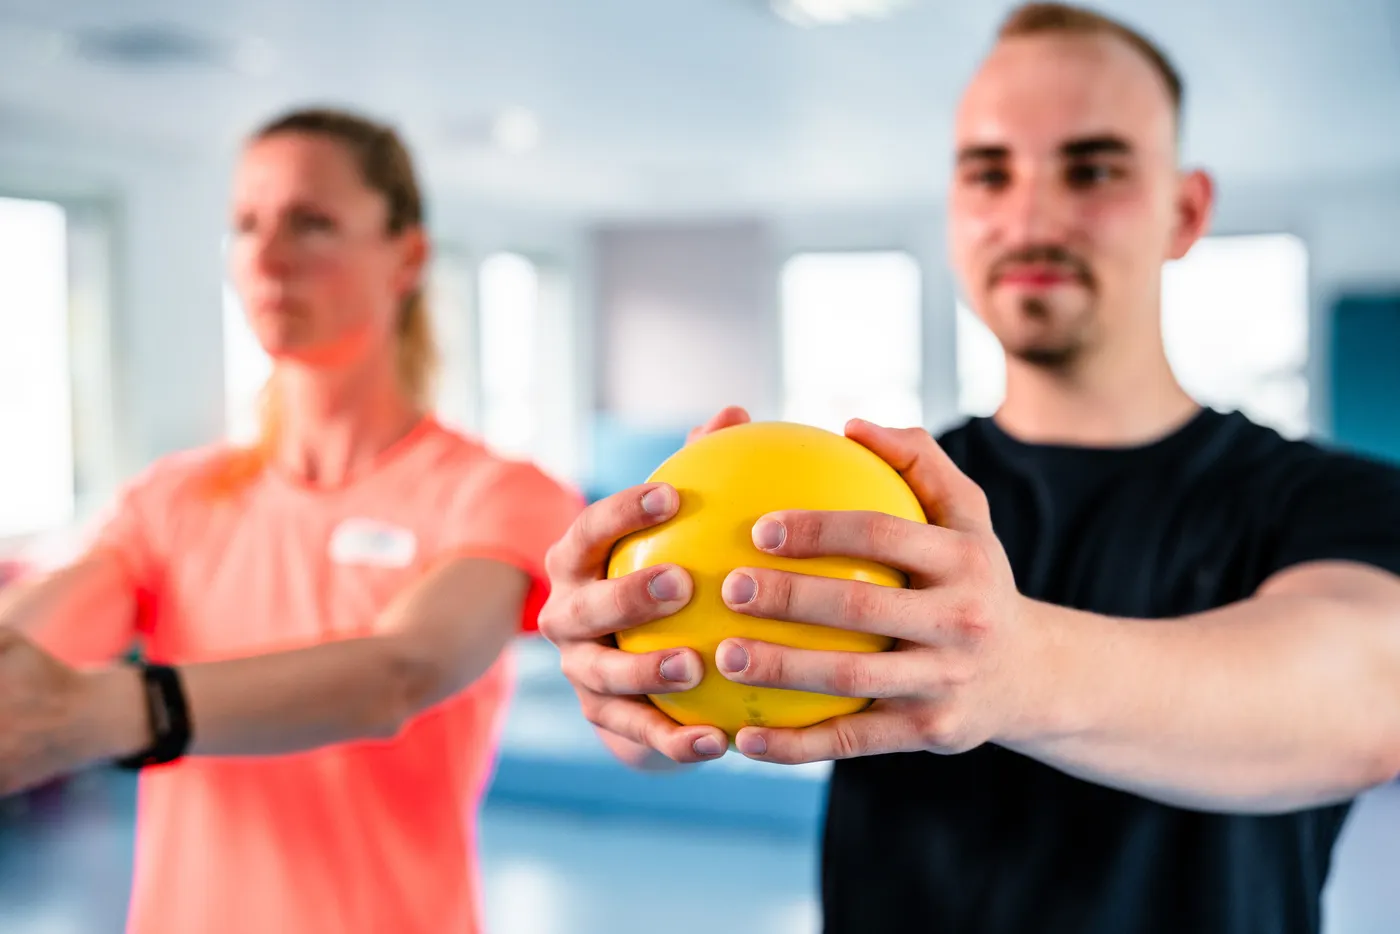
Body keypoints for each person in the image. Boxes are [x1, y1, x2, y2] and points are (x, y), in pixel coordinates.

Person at [537, 5, 1400, 933]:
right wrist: (630, 672)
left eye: (1093, 169)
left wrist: (1017, 669)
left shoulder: (1333, 499)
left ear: (1184, 212)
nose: (1028, 216)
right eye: (990, 172)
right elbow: (700, 712)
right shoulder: (889, 506)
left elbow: (1364, 698)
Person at [0, 108, 583, 934]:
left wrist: (108, 713)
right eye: (246, 224)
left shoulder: (497, 495)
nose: (267, 258)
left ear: (408, 257)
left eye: (311, 223)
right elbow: (33, 644)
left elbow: (401, 673)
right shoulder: (173, 499)